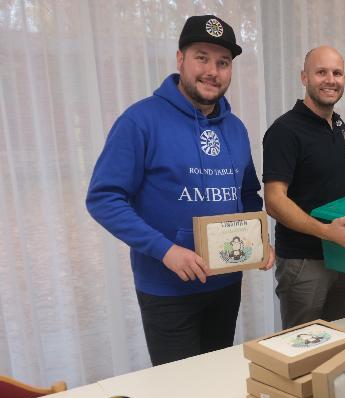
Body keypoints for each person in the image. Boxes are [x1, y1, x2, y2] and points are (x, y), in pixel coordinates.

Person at [86, 15, 273, 366]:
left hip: (225, 284)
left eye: (223, 63)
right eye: (202, 57)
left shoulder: (235, 129)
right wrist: (166, 250)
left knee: (215, 383)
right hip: (166, 288)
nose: (212, 71)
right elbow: (104, 198)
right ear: (180, 60)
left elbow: (248, 194)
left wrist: (258, 239)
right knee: (179, 394)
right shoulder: (140, 121)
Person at [262, 46, 345, 328]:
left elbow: (330, 183)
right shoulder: (285, 130)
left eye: (337, 73)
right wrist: (325, 232)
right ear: (304, 77)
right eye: (321, 72)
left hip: (342, 255)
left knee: (336, 347)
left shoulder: (338, 124)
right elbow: (274, 200)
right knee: (301, 352)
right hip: (304, 262)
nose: (330, 79)